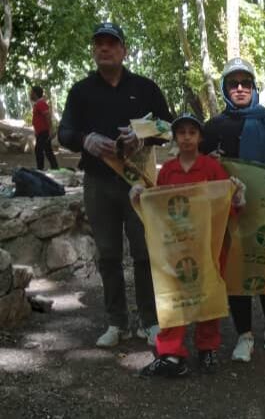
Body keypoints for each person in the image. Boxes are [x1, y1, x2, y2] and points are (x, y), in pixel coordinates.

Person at [58, 22, 172, 347]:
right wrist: (85, 140)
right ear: (93, 50)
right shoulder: (80, 91)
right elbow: (64, 133)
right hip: (98, 182)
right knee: (108, 254)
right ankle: (116, 322)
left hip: (139, 183)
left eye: (111, 43)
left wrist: (143, 134)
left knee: (144, 252)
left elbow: (169, 126)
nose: (104, 48)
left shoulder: (145, 88)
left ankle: (150, 321)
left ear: (124, 50)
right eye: (99, 43)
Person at [202, 57, 265, 362]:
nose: (240, 88)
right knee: (236, 268)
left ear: (254, 86)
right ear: (225, 88)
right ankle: (244, 335)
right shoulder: (213, 126)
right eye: (233, 83)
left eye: (246, 82)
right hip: (230, 212)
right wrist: (209, 160)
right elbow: (201, 165)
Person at [132, 114, 245, 378]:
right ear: (175, 138)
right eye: (181, 132)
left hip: (207, 244)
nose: (186, 137)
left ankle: (208, 347)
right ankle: (171, 353)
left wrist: (236, 196)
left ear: (200, 137)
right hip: (176, 245)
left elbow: (225, 206)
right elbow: (159, 206)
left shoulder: (211, 168)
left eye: (192, 132)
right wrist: (140, 198)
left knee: (207, 291)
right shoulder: (168, 170)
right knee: (173, 294)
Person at [30, 85, 58, 170]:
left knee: (39, 150)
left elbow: (47, 116)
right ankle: (54, 168)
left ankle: (40, 169)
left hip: (44, 132)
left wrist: (51, 130)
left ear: (35, 94)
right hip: (41, 132)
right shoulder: (37, 104)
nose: (30, 94)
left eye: (31, 93)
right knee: (47, 151)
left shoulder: (41, 103)